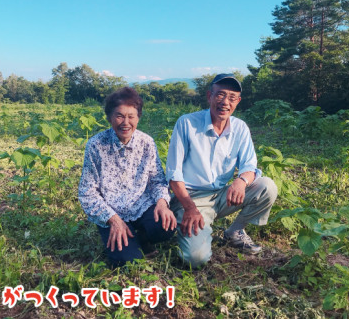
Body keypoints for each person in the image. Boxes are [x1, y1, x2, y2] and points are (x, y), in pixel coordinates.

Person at [166, 73, 278, 268]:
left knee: (266, 186)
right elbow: (173, 176)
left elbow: (250, 166)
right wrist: (190, 208)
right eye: (220, 95)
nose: (225, 102)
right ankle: (188, 229)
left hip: (221, 195)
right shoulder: (187, 123)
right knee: (195, 258)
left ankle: (235, 231)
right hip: (191, 199)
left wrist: (240, 181)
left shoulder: (240, 128)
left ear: (238, 102)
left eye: (232, 97)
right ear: (209, 96)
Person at [78, 87, 177, 267]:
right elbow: (87, 192)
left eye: (131, 116)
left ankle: (139, 236)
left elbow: (156, 179)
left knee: (166, 226)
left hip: (140, 205)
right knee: (128, 261)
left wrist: (162, 204)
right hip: (111, 211)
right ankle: (121, 237)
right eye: (119, 116)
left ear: (138, 118)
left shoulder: (146, 142)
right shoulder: (96, 145)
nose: (126, 122)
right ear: (109, 117)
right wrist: (113, 220)